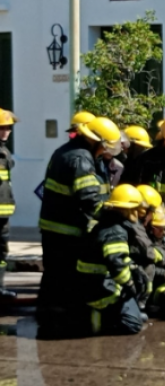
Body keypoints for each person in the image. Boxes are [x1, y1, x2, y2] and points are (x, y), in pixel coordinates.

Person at [38, 116, 123, 310]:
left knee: (53, 277)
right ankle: (56, 322)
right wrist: (115, 218)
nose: (104, 151)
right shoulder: (80, 159)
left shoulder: (68, 152)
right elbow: (90, 200)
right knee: (63, 278)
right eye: (104, 146)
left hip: (56, 229)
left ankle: (47, 317)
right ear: (95, 141)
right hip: (65, 232)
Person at [74, 184, 145, 336]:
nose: (138, 213)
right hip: (98, 289)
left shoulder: (109, 224)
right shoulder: (115, 232)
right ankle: (97, 319)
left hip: (93, 284)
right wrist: (131, 286)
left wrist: (133, 269)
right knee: (132, 324)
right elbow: (117, 266)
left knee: (135, 311)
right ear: (127, 209)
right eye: (135, 208)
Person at [0, 109, 18, 300]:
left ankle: (0, 287)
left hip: (3, 215)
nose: (6, 131)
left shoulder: (4, 151)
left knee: (2, 254)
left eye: (8, 128)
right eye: (2, 127)